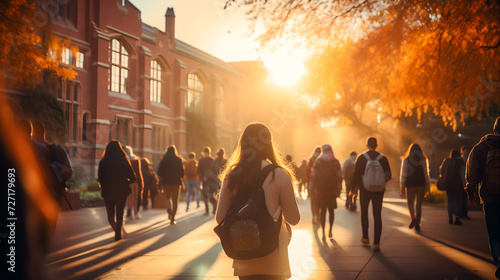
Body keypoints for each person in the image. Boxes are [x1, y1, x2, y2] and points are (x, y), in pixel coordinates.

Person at [216, 123, 301, 280]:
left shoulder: (232, 175)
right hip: (274, 258)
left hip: (243, 255)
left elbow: (219, 218)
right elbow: (294, 219)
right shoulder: (279, 174)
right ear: (269, 144)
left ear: (243, 143)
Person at [465, 116, 500, 279]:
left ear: (494, 130)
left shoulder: (480, 148)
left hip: (489, 197)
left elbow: (472, 175)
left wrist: (471, 194)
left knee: (493, 234)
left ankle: (499, 262)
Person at [353, 137, 391, 251]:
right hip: (379, 191)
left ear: (367, 145)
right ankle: (376, 243)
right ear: (377, 145)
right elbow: (389, 176)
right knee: (377, 214)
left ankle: (365, 237)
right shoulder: (383, 159)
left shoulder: (361, 158)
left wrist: (354, 188)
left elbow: (356, 175)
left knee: (364, 212)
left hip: (364, 190)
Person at [98, 140, 136, 241]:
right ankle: (118, 233)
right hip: (121, 191)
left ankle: (116, 229)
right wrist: (126, 182)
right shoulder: (124, 160)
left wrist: (104, 185)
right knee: (119, 213)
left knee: (110, 215)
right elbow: (133, 177)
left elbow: (100, 178)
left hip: (108, 192)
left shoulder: (103, 161)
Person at [32, 120, 73, 206]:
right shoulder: (57, 149)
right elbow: (68, 172)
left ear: (32, 132)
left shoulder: (29, 149)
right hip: (54, 194)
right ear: (44, 132)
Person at [310, 144, 342, 241]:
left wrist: (311, 188)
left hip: (320, 191)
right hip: (332, 191)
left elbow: (313, 176)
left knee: (322, 211)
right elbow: (340, 177)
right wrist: (339, 190)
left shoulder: (318, 162)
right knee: (331, 211)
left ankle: (323, 232)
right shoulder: (336, 162)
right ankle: (330, 230)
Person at [400, 143, 430, 231]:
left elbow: (403, 175)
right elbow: (426, 174)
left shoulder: (406, 160)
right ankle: (418, 224)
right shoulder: (423, 159)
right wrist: (428, 187)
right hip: (421, 184)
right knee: (418, 205)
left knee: (410, 203)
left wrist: (401, 187)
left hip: (410, 184)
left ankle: (413, 218)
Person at [158, 145, 185, 224]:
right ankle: (173, 217)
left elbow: (159, 172)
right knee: (175, 200)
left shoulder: (164, 159)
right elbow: (182, 173)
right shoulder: (178, 159)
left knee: (167, 197)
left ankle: (169, 209)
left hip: (166, 182)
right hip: (176, 182)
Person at [440, 149, 466, 225]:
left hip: (448, 184)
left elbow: (441, 171)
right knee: (458, 202)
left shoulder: (446, 161)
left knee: (450, 201)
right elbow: (462, 174)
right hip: (458, 185)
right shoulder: (461, 162)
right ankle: (457, 218)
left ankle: (450, 217)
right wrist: (465, 185)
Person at [124, 145, 143, 219]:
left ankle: (129, 214)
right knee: (136, 198)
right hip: (135, 182)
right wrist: (141, 184)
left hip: (126, 182)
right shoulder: (135, 160)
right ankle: (136, 213)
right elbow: (138, 173)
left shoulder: (124, 160)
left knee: (128, 199)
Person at [198, 146, 216, 215]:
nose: (206, 154)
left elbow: (199, 171)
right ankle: (210, 208)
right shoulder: (212, 160)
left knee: (208, 196)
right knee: (208, 195)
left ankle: (210, 209)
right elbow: (215, 170)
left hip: (207, 180)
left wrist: (200, 180)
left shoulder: (202, 160)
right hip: (208, 180)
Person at [306, 146, 322, 224]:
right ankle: (318, 217)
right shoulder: (322, 160)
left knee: (313, 202)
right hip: (320, 185)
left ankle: (314, 217)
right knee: (319, 202)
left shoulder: (311, 160)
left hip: (312, 184)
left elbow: (307, 172)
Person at [459, 145, 471, 219]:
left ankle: (463, 213)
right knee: (463, 199)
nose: (466, 152)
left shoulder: (467, 159)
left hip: (465, 182)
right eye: (465, 150)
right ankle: (463, 214)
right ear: (462, 151)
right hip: (463, 182)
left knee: (464, 199)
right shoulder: (462, 160)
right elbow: (462, 172)